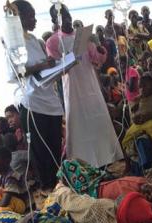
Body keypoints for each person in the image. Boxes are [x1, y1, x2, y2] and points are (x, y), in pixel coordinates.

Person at [50, 4, 123, 169]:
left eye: (68, 16)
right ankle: (83, 163)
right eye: (62, 17)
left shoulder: (82, 36)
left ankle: (105, 158)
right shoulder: (53, 42)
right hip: (72, 89)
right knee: (78, 124)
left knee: (97, 119)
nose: (67, 20)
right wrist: (68, 60)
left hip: (90, 84)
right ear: (55, 21)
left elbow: (96, 59)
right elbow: (55, 69)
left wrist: (100, 50)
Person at [10, 1, 64, 190]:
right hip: (33, 103)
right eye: (30, 16)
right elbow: (15, 73)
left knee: (55, 145)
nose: (34, 20)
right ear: (19, 18)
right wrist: (41, 66)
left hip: (49, 99)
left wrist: (51, 63)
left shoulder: (34, 39)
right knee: (40, 150)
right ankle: (47, 187)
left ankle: (59, 184)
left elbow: (42, 67)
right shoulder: (14, 42)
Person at [122, 74, 152, 160]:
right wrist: (134, 107)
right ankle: (127, 162)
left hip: (149, 120)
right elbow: (133, 108)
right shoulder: (140, 97)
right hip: (139, 123)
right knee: (125, 140)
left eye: (145, 86)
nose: (142, 89)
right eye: (140, 87)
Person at [0, 146, 30, 213]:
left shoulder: (11, 177)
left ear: (6, 161)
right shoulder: (0, 176)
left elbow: (4, 203)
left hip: (20, 205)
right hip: (9, 202)